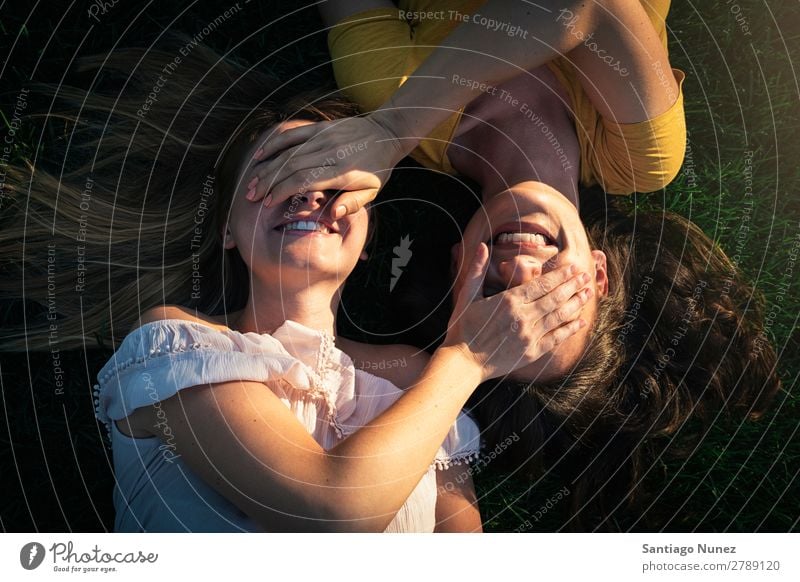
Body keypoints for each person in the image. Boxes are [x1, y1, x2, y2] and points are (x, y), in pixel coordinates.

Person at [0, 38, 594, 532]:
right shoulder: (179, 345)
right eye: (277, 175)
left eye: (335, 184)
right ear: (228, 229)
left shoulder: (414, 378)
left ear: (366, 235)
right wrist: (467, 358)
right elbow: (330, 513)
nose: (312, 192)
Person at [243, 1, 780, 527]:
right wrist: (394, 128)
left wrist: (398, 117)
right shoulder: (642, 157)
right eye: (553, 304)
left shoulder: (384, 87)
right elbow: (592, 9)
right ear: (597, 275)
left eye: (492, 299)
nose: (520, 272)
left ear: (456, 270)